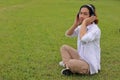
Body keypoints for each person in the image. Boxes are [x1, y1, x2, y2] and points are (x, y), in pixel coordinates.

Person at [59, 4, 101, 76]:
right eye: (80, 13)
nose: (81, 16)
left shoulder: (95, 30)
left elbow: (83, 39)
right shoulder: (81, 27)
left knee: (71, 62)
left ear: (91, 17)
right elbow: (68, 34)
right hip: (80, 57)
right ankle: (69, 66)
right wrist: (75, 24)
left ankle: (68, 64)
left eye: (85, 14)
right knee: (64, 47)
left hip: (89, 65)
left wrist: (84, 23)